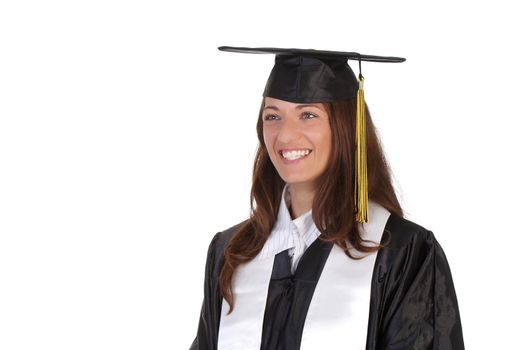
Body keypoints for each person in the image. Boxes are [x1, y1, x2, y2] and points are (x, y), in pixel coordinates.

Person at [189, 46, 464, 350]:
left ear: (345, 126)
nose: (285, 135)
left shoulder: (402, 252)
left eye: (308, 115)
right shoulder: (232, 251)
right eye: (272, 116)